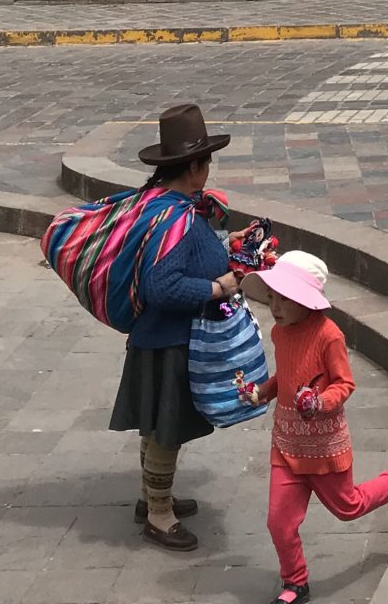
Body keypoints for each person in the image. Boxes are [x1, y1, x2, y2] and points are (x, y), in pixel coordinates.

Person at [109, 104, 255, 553]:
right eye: (206, 161)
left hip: (158, 339)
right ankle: (159, 516)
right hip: (168, 342)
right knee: (165, 432)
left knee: (154, 427)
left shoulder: (165, 206)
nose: (209, 169)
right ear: (193, 167)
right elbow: (162, 285)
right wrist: (218, 285)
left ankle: (151, 497)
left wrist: (225, 246)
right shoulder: (175, 218)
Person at [242, 252, 388, 604]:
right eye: (272, 297)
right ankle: (296, 583)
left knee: (349, 507)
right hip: (286, 444)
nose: (275, 307)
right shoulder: (281, 332)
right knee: (279, 522)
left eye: (285, 299)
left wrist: (319, 401)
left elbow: (344, 384)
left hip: (324, 447)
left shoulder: (329, 336)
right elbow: (288, 375)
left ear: (307, 302)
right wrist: (262, 393)